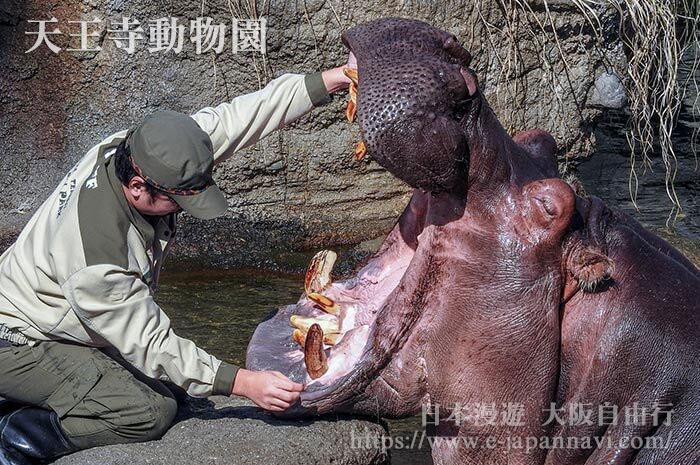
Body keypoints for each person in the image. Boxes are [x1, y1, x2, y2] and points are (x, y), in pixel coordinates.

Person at [0, 63, 352, 464]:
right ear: (138, 187)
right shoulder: (97, 260)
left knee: (176, 390)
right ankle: (16, 437)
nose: (186, 208)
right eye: (180, 200)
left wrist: (335, 78)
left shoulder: (141, 150)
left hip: (61, 319)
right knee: (148, 412)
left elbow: (238, 118)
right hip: (17, 340)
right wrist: (245, 383)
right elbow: (152, 344)